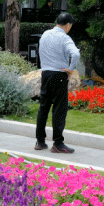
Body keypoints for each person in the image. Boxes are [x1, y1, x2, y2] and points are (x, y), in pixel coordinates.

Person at [35, 11, 80, 153]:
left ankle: (40, 141)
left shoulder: (45, 34)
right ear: (68, 25)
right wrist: (71, 69)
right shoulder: (64, 37)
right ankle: (58, 143)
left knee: (43, 108)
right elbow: (76, 54)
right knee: (59, 109)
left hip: (45, 74)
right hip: (59, 75)